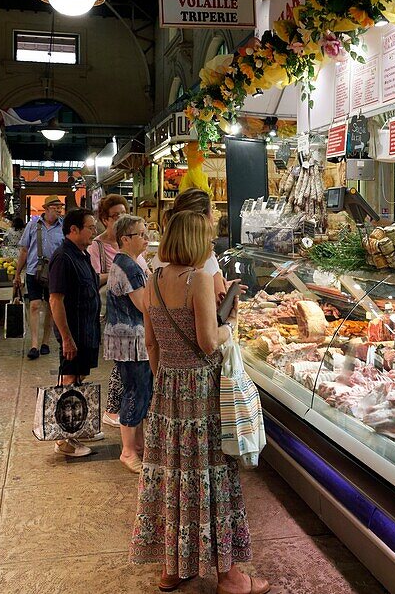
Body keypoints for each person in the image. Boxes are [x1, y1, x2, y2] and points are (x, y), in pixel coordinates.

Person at [130, 211, 269, 594]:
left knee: (172, 477)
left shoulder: (153, 280)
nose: (211, 244)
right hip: (202, 392)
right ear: (194, 241)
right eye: (207, 238)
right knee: (212, 476)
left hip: (168, 391)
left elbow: (151, 344)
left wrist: (164, 382)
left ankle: (172, 568)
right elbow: (209, 341)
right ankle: (229, 576)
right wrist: (231, 326)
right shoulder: (200, 280)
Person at [46, 208, 103, 457]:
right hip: (74, 333)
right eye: (90, 227)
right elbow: (55, 301)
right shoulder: (62, 258)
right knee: (68, 382)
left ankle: (77, 427)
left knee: (78, 380)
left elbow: (91, 283)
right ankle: (63, 439)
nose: (95, 231)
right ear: (74, 230)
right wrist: (66, 338)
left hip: (87, 330)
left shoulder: (82, 255)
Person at [105, 215, 152, 474]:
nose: (146, 239)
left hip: (129, 340)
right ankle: (128, 451)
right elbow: (144, 305)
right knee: (135, 391)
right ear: (125, 239)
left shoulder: (128, 262)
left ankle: (139, 444)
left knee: (140, 390)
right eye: (141, 235)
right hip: (131, 341)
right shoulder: (129, 267)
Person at [89, 194, 133, 429]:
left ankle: (119, 407)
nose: (120, 219)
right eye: (115, 216)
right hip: (111, 310)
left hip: (133, 308)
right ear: (104, 219)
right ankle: (112, 409)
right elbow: (94, 278)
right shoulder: (96, 245)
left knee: (126, 360)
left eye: (124, 213)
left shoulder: (129, 240)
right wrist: (123, 270)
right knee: (121, 360)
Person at [16, 196, 65, 360]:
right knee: (35, 305)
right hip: (33, 271)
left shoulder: (63, 227)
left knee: (52, 308)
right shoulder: (33, 225)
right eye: (55, 207)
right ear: (46, 208)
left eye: (60, 207)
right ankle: (34, 344)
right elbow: (24, 250)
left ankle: (45, 342)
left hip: (55, 273)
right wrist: (17, 274)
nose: (58, 210)